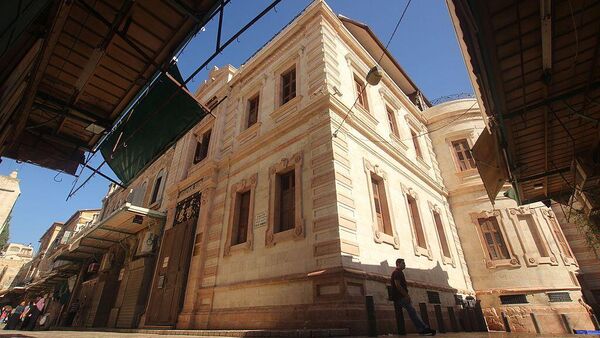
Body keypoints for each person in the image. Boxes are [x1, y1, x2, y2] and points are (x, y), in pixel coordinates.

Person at [391, 258, 436, 336]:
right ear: (398, 264)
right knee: (413, 312)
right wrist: (406, 295)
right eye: (403, 263)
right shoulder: (397, 273)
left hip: (399, 297)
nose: (405, 264)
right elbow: (397, 285)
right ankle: (423, 328)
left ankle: (422, 328)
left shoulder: (398, 272)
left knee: (412, 312)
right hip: (400, 297)